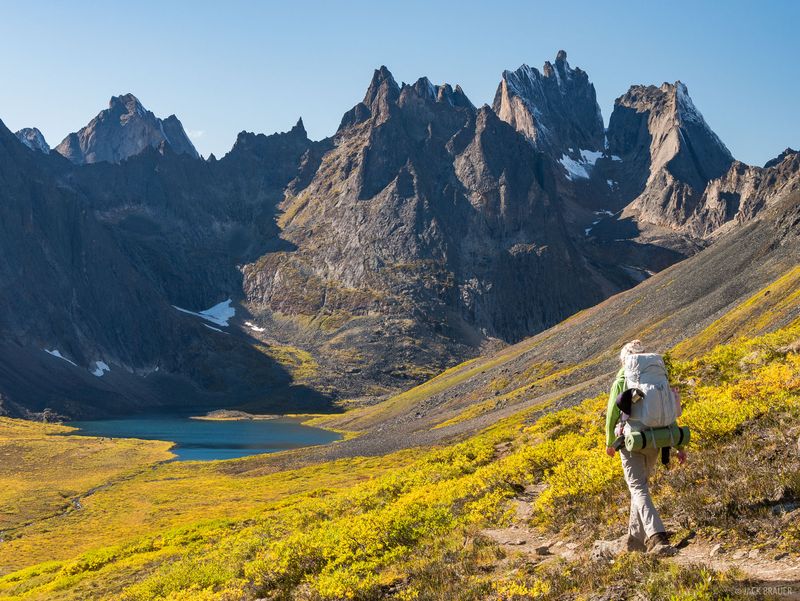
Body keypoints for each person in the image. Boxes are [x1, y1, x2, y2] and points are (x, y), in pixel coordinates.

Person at [604, 339, 686, 556]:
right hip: (656, 439)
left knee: (637, 488)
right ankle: (634, 540)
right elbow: (667, 413)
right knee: (639, 488)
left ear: (624, 359)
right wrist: (678, 444)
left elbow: (613, 413)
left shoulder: (622, 380)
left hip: (631, 439)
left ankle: (657, 535)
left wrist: (608, 442)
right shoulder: (657, 378)